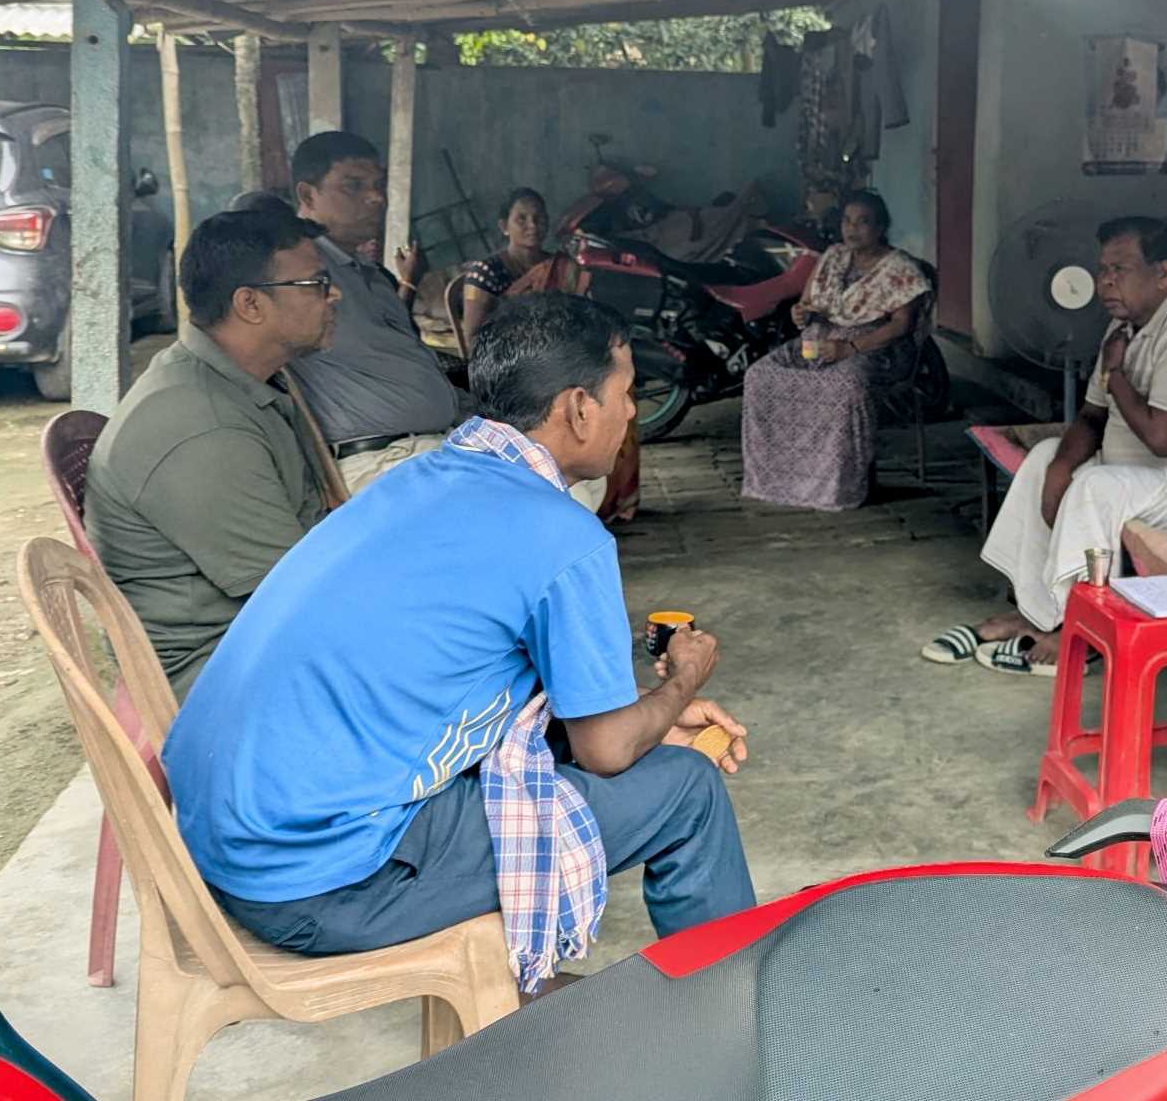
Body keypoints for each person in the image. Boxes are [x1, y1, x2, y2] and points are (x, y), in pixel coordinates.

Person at [163, 294, 755, 977]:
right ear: (578, 409)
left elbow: (474, 689)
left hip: (227, 837)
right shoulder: (563, 536)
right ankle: (730, 1003)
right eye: (625, 394)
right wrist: (684, 679)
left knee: (607, 764)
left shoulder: (416, 479)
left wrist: (658, 720)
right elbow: (607, 751)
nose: (630, 414)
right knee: (688, 789)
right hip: (321, 882)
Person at [926, 216, 1167, 676]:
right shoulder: (1121, 330)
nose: (1104, 282)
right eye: (1102, 269)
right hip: (1153, 485)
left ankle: (1078, 629)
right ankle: (1034, 609)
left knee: (1097, 487)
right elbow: (1092, 415)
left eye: (1120, 270)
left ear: (1163, 273)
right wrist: (1058, 470)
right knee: (1045, 459)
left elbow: (1163, 440)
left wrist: (1118, 376)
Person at [84, 208, 340, 695]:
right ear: (250, 304)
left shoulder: (245, 387)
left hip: (260, 645)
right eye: (317, 284)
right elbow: (304, 601)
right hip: (225, 684)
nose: (335, 296)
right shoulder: (203, 426)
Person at [284, 129, 460, 492]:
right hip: (379, 462)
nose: (377, 198)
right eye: (353, 186)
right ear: (307, 195)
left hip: (430, 448)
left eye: (379, 185)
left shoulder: (370, 274)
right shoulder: (300, 278)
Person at [740, 189, 931, 511]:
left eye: (863, 222)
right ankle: (782, 479)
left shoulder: (901, 268)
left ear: (881, 227)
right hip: (819, 338)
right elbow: (808, 302)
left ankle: (837, 485)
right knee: (760, 376)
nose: (852, 229)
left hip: (876, 346)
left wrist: (849, 348)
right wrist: (799, 313)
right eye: (847, 221)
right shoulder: (833, 256)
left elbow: (902, 326)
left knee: (843, 386)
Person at [454, 187, 552, 357]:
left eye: (539, 218)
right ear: (504, 226)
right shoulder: (483, 273)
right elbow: (474, 340)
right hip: (505, 362)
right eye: (521, 219)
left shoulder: (560, 268)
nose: (532, 225)